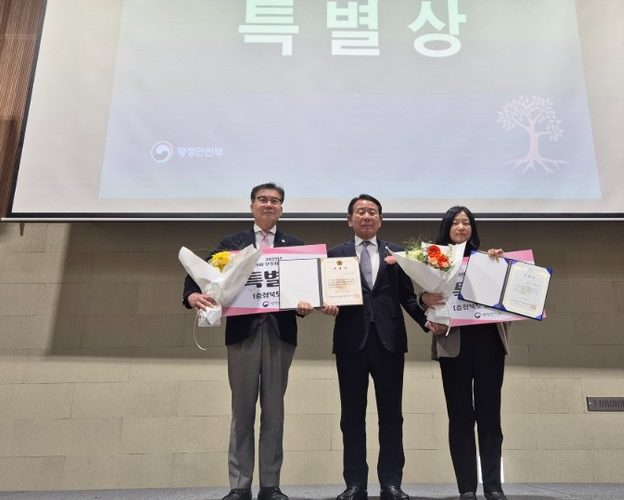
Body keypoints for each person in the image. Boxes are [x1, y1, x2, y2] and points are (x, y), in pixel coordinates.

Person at [182, 183, 312, 500]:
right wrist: (192, 296)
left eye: (275, 201)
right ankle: (240, 485)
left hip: (280, 333)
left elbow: (308, 287)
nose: (269, 205)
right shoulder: (233, 242)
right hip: (243, 333)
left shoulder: (295, 245)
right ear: (252, 205)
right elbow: (198, 274)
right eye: (262, 200)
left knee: (274, 411)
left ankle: (270, 485)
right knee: (242, 411)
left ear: (281, 209)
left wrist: (308, 303)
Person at [323, 194, 429, 500]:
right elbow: (325, 294)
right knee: (351, 417)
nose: (366, 216)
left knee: (392, 416)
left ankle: (391, 484)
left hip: (389, 342)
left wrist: (427, 322)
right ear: (349, 220)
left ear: (380, 220)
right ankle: (355, 484)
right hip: (351, 343)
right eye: (360, 212)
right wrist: (324, 305)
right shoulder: (335, 254)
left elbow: (407, 297)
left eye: (372, 212)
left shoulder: (397, 253)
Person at [421, 206, 510, 500]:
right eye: (456, 222)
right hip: (453, 344)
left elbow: (508, 294)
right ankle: (467, 488)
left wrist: (501, 266)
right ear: (446, 228)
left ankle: (493, 486)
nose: (461, 227)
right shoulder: (434, 261)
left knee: (489, 415)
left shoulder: (489, 260)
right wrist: (424, 299)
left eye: (466, 222)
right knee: (460, 417)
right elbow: (425, 298)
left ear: (473, 228)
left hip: (489, 342)